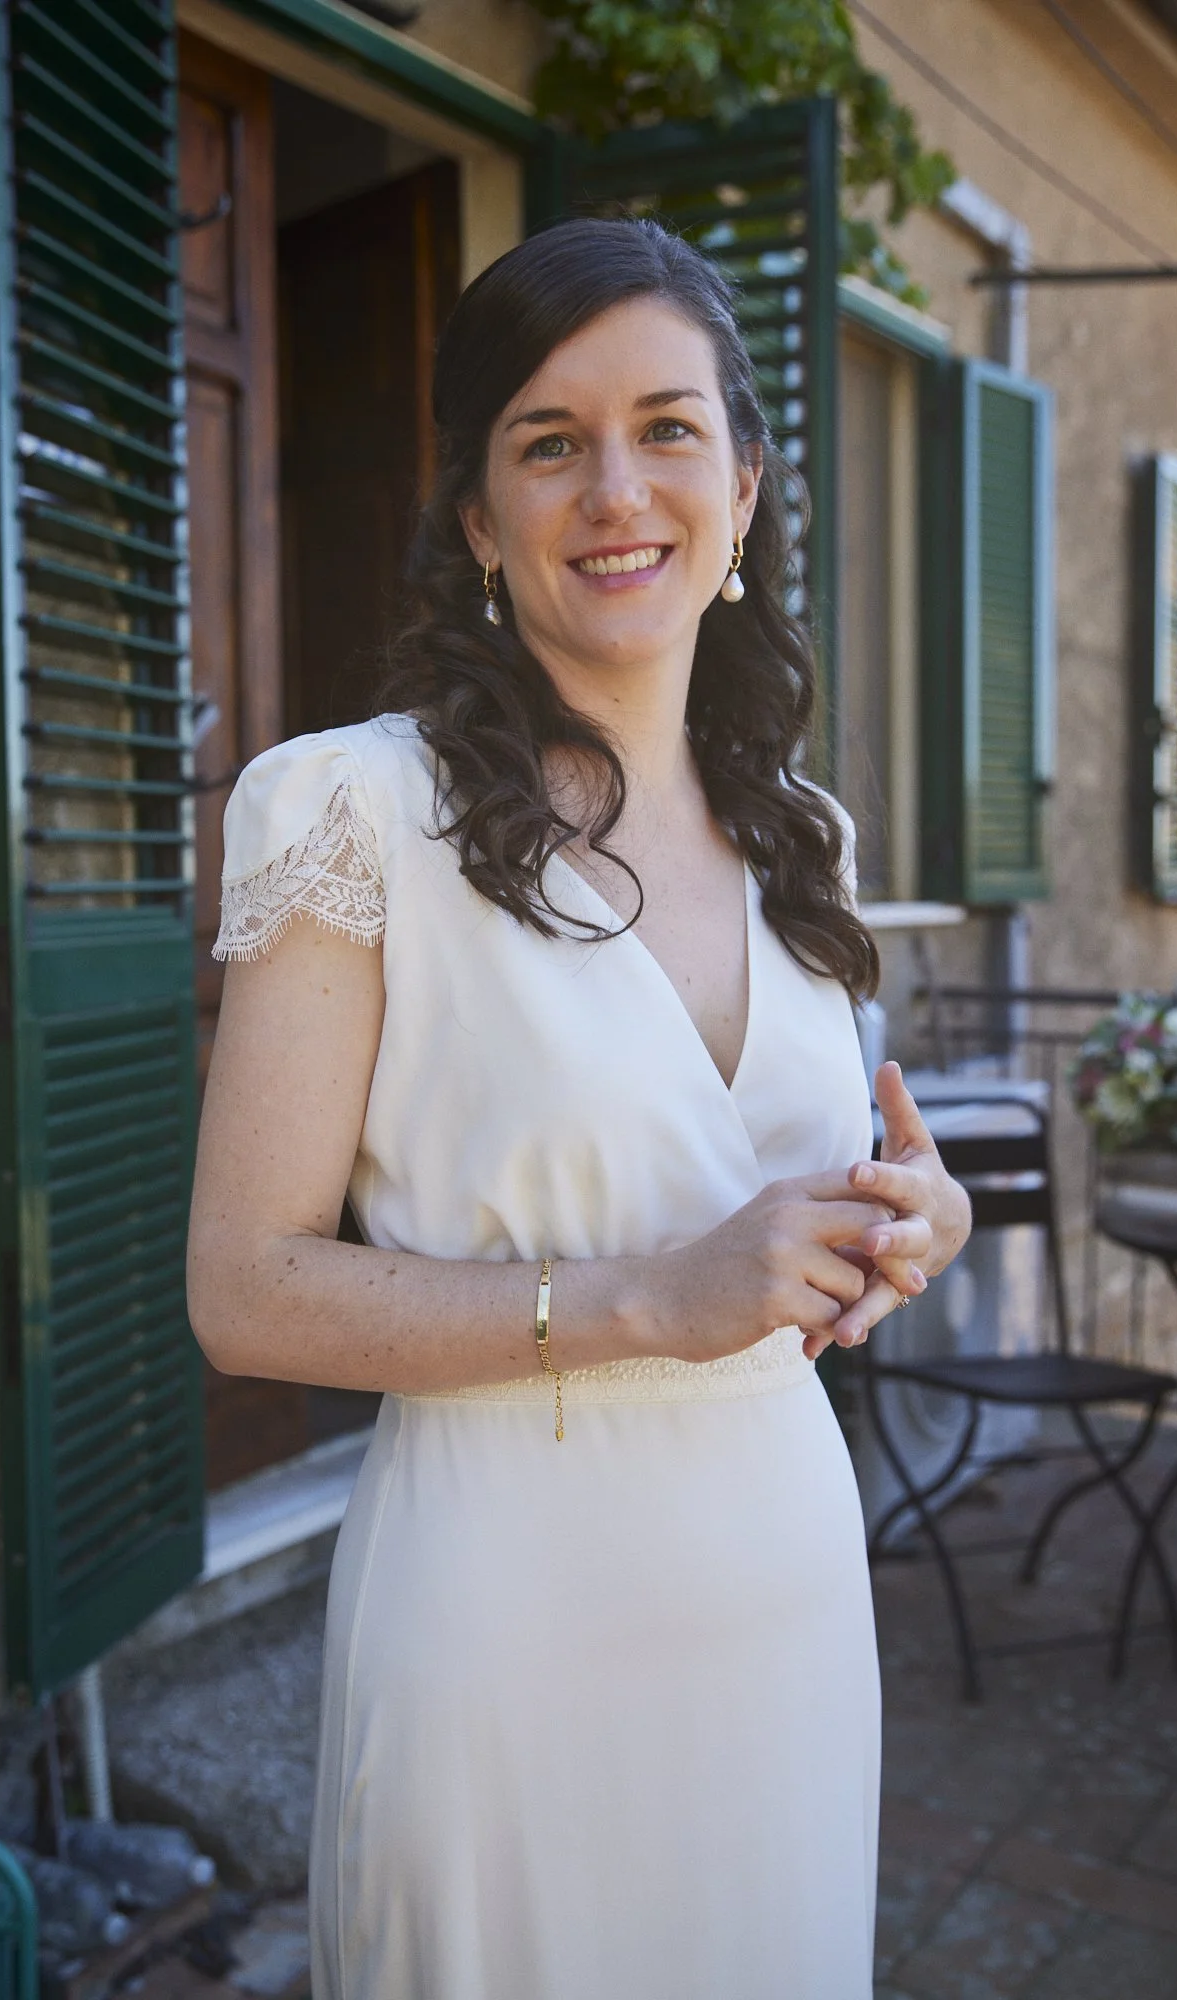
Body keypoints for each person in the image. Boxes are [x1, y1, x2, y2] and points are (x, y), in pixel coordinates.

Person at [187, 216, 971, 2000]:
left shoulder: (805, 836)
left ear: (746, 485)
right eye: (548, 441)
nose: (615, 487)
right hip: (505, 1620)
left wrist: (927, 1222)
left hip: (781, 1588)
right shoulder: (347, 812)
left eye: (666, 428)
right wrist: (650, 1299)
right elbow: (242, 1291)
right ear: (477, 514)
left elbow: (834, 1184)